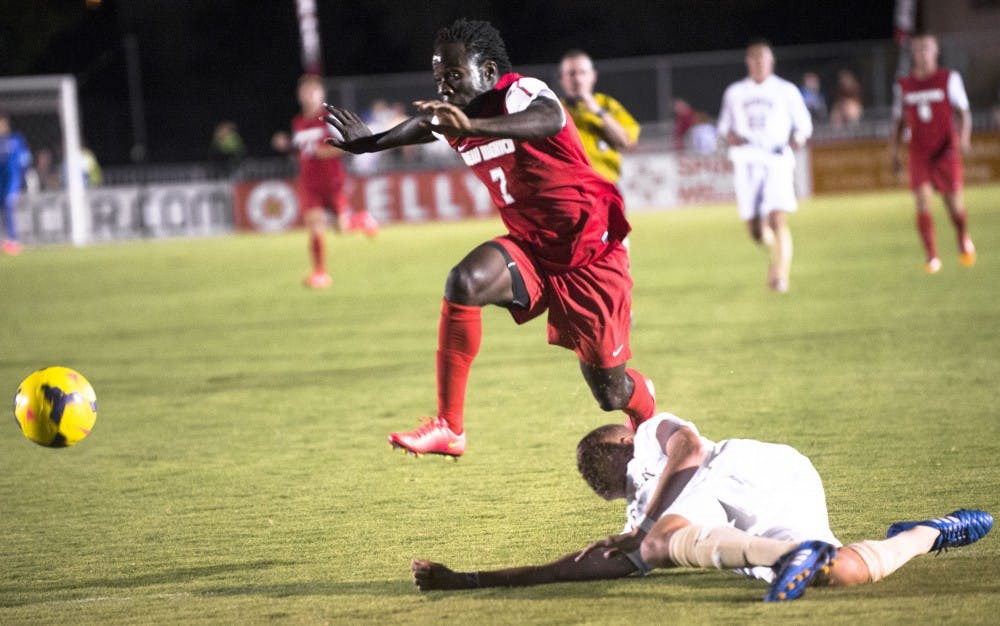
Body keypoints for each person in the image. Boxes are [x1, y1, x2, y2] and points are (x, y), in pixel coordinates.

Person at [322, 19, 657, 457]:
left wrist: (476, 126)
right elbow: (427, 124)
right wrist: (374, 142)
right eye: (440, 77)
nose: (445, 87)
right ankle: (449, 426)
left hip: (590, 252)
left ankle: (646, 406)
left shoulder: (520, 92)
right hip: (532, 247)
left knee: (610, 393)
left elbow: (549, 118)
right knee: (465, 281)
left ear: (488, 70)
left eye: (455, 76)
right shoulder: (456, 113)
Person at [411, 413, 993, 602]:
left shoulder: (648, 437)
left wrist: (641, 529)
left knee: (662, 541)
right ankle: (928, 533)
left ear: (617, 444)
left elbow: (688, 449)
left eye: (600, 467)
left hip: (753, 469)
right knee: (844, 573)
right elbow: (576, 565)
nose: (602, 479)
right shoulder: (639, 514)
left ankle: (793, 552)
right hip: (723, 519)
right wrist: (467, 580)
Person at [717, 39, 812, 293]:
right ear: (748, 62)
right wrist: (731, 137)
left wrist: (796, 140)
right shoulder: (735, 92)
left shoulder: (786, 90)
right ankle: (775, 252)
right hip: (747, 160)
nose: (759, 63)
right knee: (755, 229)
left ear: (771, 61)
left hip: (776, 159)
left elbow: (803, 124)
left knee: (779, 218)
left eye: (763, 58)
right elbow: (724, 126)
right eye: (754, 58)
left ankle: (780, 273)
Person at [282, 74, 378, 289]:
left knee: (341, 229)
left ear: (321, 95)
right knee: (315, 225)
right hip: (309, 183)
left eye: (312, 92)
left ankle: (361, 220)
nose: (308, 97)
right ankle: (320, 273)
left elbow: (346, 146)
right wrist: (288, 148)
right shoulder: (297, 122)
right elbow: (302, 152)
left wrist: (321, 152)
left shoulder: (328, 120)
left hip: (333, 181)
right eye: (304, 93)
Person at [890, 32, 976, 274]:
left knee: (955, 208)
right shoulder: (904, 85)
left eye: (926, 48)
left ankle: (962, 237)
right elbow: (898, 121)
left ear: (936, 51)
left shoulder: (949, 78)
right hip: (919, 153)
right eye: (917, 49)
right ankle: (932, 256)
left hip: (945, 152)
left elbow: (963, 112)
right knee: (922, 203)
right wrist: (894, 153)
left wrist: (964, 138)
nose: (922, 53)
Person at [558, 49, 640, 185]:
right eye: (571, 74)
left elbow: (627, 143)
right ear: (562, 78)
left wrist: (597, 111)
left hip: (606, 187)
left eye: (582, 73)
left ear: (593, 76)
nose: (577, 79)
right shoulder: (555, 109)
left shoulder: (607, 104)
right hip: (572, 189)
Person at [0, 112, 31, 256]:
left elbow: (25, 159)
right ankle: (7, 240)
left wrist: (23, 176)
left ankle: (13, 240)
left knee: (8, 206)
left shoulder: (16, 140)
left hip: (12, 181)